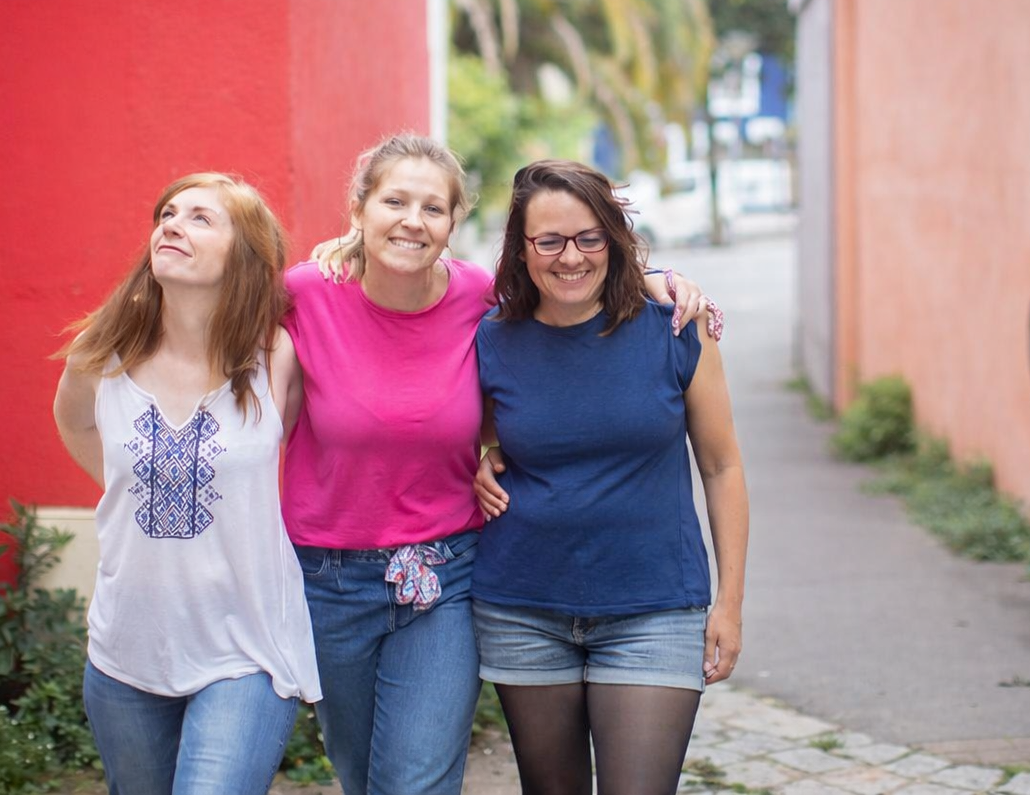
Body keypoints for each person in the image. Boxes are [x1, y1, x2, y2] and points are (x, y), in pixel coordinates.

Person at [282, 133, 719, 795]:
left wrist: (659, 279)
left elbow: (568, 297)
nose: (412, 220)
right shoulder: (305, 295)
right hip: (330, 578)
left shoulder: (478, 298)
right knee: (360, 771)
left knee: (416, 784)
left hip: (444, 575)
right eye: (394, 201)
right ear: (359, 208)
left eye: (433, 207)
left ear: (455, 224)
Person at [471, 159, 749, 795]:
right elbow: (463, 430)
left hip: (654, 607)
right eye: (550, 240)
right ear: (522, 247)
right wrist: (478, 457)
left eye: (588, 237)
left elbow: (722, 465)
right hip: (523, 608)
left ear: (613, 239)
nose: (571, 257)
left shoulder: (675, 326)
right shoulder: (492, 338)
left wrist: (729, 604)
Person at [52, 172, 320, 795]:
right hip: (125, 652)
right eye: (169, 213)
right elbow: (74, 423)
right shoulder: (104, 353)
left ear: (245, 256)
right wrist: (142, 482)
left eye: (201, 218)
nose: (172, 224)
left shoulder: (277, 356)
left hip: (245, 649)